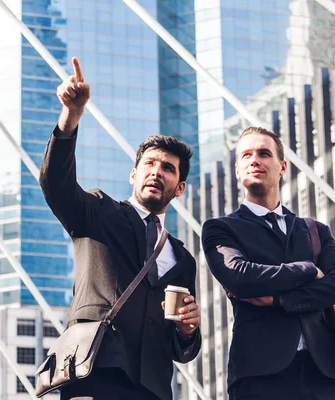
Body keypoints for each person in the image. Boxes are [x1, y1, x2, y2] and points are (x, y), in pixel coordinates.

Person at [40, 57, 201, 400]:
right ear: (134, 174)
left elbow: (181, 348)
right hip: (94, 373)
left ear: (180, 187)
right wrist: (71, 116)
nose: (157, 172)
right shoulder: (99, 212)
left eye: (168, 169)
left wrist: (188, 330)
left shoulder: (183, 259)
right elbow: (56, 183)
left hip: (152, 388)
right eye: (149, 164)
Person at [201, 127, 335, 400]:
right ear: (238, 169)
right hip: (260, 375)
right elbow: (241, 276)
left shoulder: (314, 230)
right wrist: (309, 269)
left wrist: (281, 300)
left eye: (264, 153)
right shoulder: (220, 229)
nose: (255, 160)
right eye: (247, 155)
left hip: (322, 373)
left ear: (282, 166)